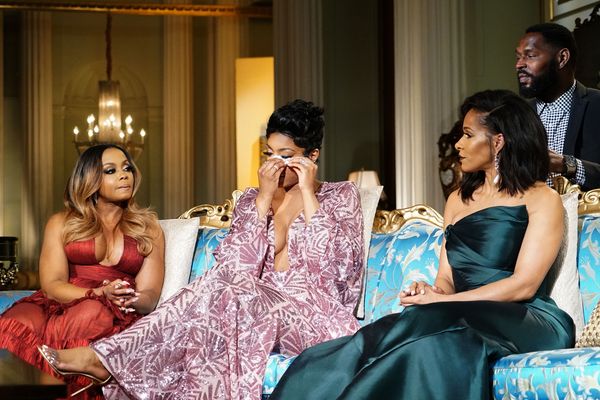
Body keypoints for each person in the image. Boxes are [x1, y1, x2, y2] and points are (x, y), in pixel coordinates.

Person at [39, 99, 364, 399]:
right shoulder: (252, 200)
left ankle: (105, 359)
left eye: (286, 155)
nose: (275, 165)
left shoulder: (340, 196)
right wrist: (263, 199)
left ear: (312, 156)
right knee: (222, 285)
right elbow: (235, 268)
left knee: (228, 289)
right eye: (269, 154)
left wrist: (307, 192)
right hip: (249, 308)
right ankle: (107, 359)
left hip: (315, 317)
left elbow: (333, 273)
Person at [269, 90, 575, 399]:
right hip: (460, 313)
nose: (458, 144)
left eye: (468, 135)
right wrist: (431, 292)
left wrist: (443, 303)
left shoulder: (542, 198)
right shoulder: (458, 200)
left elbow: (523, 285)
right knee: (375, 335)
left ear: (498, 142)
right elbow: (446, 280)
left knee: (431, 326)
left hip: (524, 318)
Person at [0, 144, 165, 398]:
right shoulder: (61, 223)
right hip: (62, 300)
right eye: (111, 170)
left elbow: (151, 294)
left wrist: (129, 298)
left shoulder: (148, 228)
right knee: (19, 319)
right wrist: (98, 292)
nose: (124, 175)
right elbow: (52, 285)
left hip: (113, 311)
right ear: (90, 179)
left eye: (127, 168)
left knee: (92, 313)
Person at [515, 22, 600, 190]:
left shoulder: (596, 105)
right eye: (518, 57)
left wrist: (566, 165)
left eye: (530, 56)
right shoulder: (516, 116)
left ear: (562, 58)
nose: (519, 65)